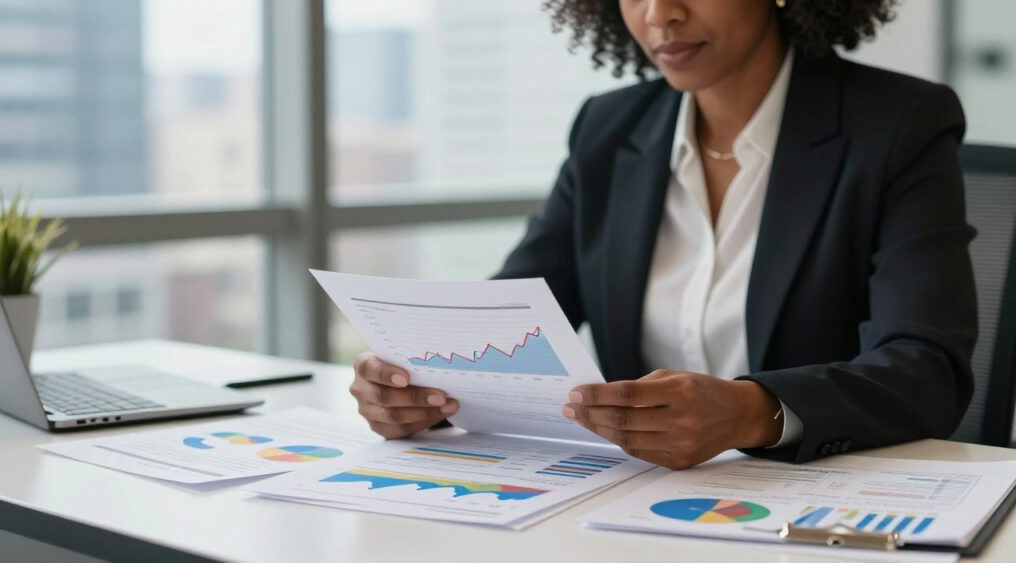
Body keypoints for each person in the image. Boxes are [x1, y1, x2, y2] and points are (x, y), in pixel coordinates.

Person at [349, 0, 977, 469]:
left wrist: (751, 411)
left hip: (812, 508)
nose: (660, 15)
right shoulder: (608, 128)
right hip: (633, 507)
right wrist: (418, 385)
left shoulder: (898, 126)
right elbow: (511, 321)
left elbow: (926, 372)